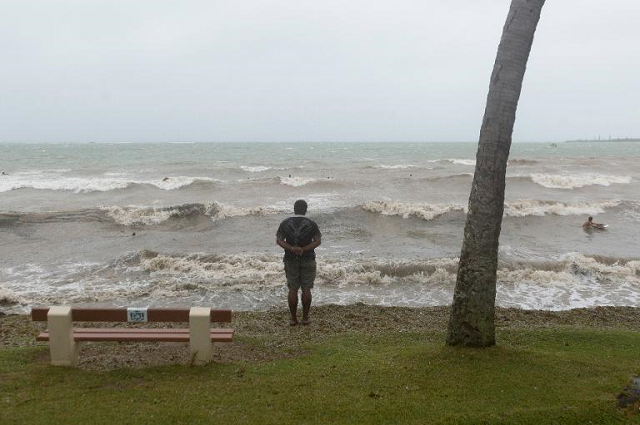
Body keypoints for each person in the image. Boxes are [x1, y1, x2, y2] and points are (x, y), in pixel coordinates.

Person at [276, 199, 321, 326]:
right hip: (308, 258)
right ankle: (305, 318)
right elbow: (317, 241)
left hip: (290, 259)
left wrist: (291, 248)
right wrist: (304, 249)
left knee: (293, 289)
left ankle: (293, 319)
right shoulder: (312, 224)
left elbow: (279, 240)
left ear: (294, 209)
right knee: (306, 289)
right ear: (305, 210)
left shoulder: (285, 223)